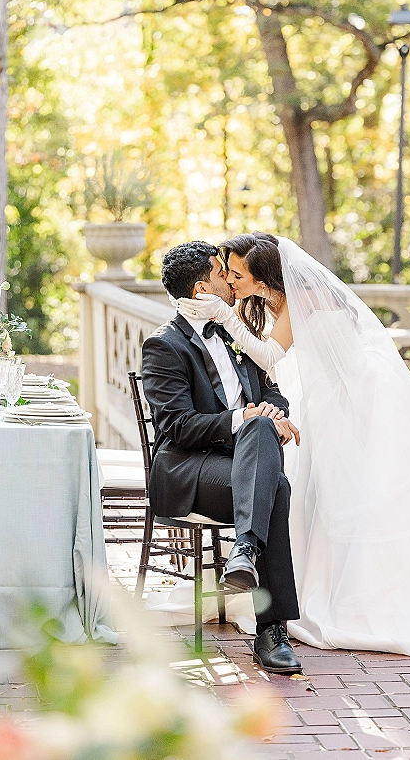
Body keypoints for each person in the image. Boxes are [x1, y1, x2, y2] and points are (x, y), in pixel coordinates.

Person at [177, 233, 410, 658]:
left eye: (237, 274)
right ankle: (320, 587)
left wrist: (226, 317)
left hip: (361, 395)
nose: (231, 282)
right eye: (227, 273)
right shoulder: (263, 299)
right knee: (322, 491)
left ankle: (370, 598)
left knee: (364, 493)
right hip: (326, 396)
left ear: (263, 277)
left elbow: (270, 356)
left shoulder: (301, 294)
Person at [141, 240, 303, 674]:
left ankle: (244, 552)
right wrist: (245, 418)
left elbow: (274, 394)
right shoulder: (163, 346)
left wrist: (270, 412)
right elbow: (178, 427)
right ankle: (272, 630)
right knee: (275, 485)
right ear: (201, 290)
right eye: (221, 275)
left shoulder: (236, 333)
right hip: (191, 468)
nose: (231, 283)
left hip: (246, 459)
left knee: (264, 442)